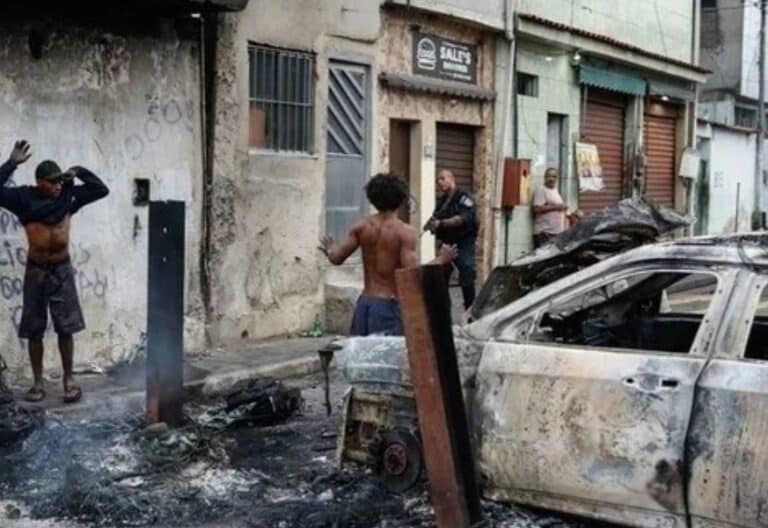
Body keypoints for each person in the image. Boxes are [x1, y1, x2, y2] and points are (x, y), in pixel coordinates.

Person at [0, 140, 109, 403]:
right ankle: (38, 383)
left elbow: (101, 190)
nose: (58, 185)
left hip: (62, 270)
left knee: (66, 328)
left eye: (59, 180)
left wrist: (79, 171)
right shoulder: (24, 198)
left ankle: (69, 379)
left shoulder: (68, 197)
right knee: (35, 330)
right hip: (36, 271)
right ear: (39, 182)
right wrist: (12, 163)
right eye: (52, 181)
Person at [319, 173, 456, 336]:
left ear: (372, 199)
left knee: (361, 358)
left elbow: (336, 258)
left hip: (365, 304)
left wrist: (330, 248)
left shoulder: (361, 227)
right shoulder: (405, 232)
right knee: (384, 359)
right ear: (401, 200)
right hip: (388, 307)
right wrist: (442, 259)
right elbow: (413, 275)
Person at [425, 169, 478, 310]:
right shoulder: (442, 200)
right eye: (438, 180)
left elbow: (462, 219)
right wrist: (431, 225)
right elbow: (436, 218)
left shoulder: (463, 196)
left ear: (451, 178)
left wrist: (441, 223)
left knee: (466, 273)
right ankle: (444, 310)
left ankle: (470, 309)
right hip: (447, 243)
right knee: (440, 277)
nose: (439, 182)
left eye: (442, 178)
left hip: (463, 242)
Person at [532, 167, 567, 248]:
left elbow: (558, 207)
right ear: (545, 177)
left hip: (556, 233)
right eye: (549, 176)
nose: (552, 179)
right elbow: (536, 209)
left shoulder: (555, 190)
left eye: (554, 176)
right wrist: (557, 207)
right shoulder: (541, 190)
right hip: (544, 234)